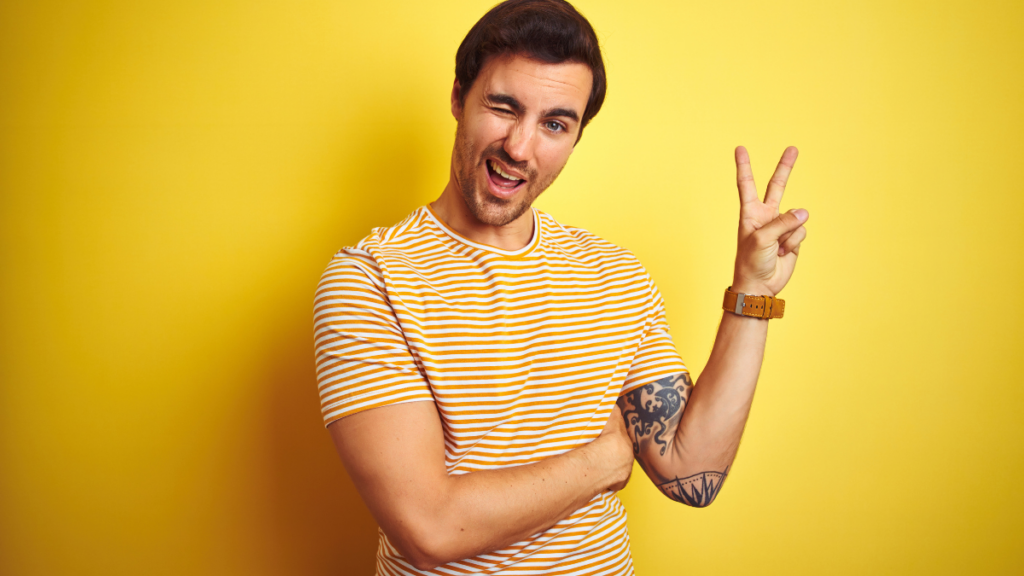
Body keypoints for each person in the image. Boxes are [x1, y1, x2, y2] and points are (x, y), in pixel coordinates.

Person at [313, 0, 809, 573]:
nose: (520, 148)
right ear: (457, 99)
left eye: (554, 123)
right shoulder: (368, 279)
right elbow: (432, 527)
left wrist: (750, 297)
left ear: (576, 136)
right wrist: (602, 461)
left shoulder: (615, 275)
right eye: (503, 107)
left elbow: (690, 476)